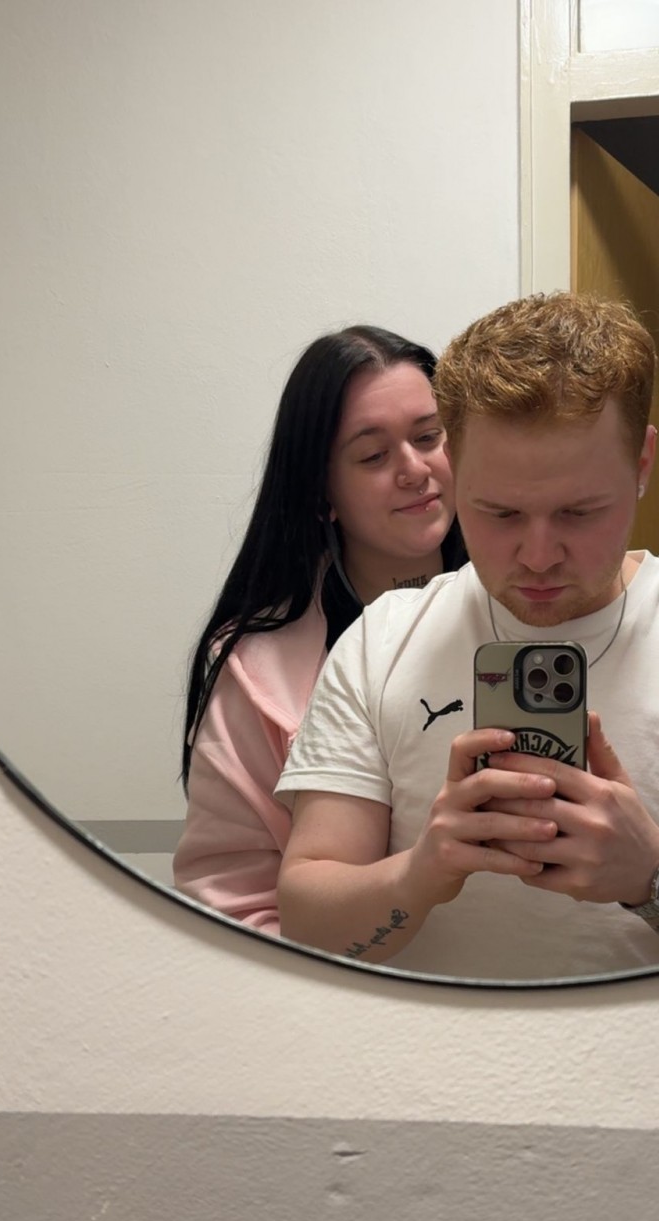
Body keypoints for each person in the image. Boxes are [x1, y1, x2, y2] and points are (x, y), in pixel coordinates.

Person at [275, 292, 659, 980]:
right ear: (454, 465)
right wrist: (421, 872)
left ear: (642, 463)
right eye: (500, 513)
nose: (538, 556)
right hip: (427, 1051)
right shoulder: (381, 642)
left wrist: (656, 873)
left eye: (579, 511)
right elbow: (304, 922)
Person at [173, 325, 463, 933]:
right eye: (373, 456)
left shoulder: (535, 603)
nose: (415, 469)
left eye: (429, 436)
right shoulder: (255, 673)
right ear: (322, 490)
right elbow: (233, 906)